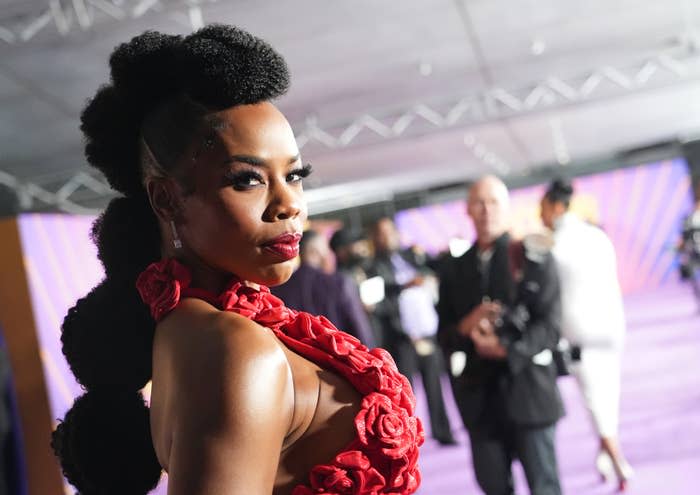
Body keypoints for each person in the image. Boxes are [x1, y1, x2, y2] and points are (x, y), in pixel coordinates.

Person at [51, 26, 423, 495]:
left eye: (294, 174)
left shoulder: (199, 328)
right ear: (166, 199)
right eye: (247, 180)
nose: (288, 204)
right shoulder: (232, 350)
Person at [437, 176, 564, 495]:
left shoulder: (533, 258)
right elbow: (445, 335)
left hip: (529, 392)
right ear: (467, 209)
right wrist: (468, 324)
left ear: (507, 208)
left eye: (493, 202)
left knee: (545, 486)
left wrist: (506, 349)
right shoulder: (452, 269)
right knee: (493, 487)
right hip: (479, 400)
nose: (486, 211)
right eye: (479, 203)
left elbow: (550, 326)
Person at [541, 179, 634, 491]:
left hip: (579, 336)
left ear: (555, 207)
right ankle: (606, 458)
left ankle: (620, 463)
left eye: (542, 209)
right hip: (611, 328)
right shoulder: (597, 236)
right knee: (608, 396)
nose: (541, 216)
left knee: (596, 401)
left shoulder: (552, 246)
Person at [366, 217, 457, 446]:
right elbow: (377, 304)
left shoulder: (412, 256)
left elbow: (431, 273)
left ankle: (443, 431)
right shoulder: (373, 267)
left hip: (426, 331)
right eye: (381, 233)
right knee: (405, 394)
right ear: (375, 238)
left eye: (389, 232)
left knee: (436, 385)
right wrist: (405, 288)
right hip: (401, 337)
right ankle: (405, 438)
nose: (386, 237)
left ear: (397, 233)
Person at [271, 229, 376, 346]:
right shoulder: (339, 283)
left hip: (299, 360)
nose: (328, 254)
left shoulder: (279, 288)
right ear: (315, 251)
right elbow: (360, 329)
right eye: (325, 248)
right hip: (339, 358)